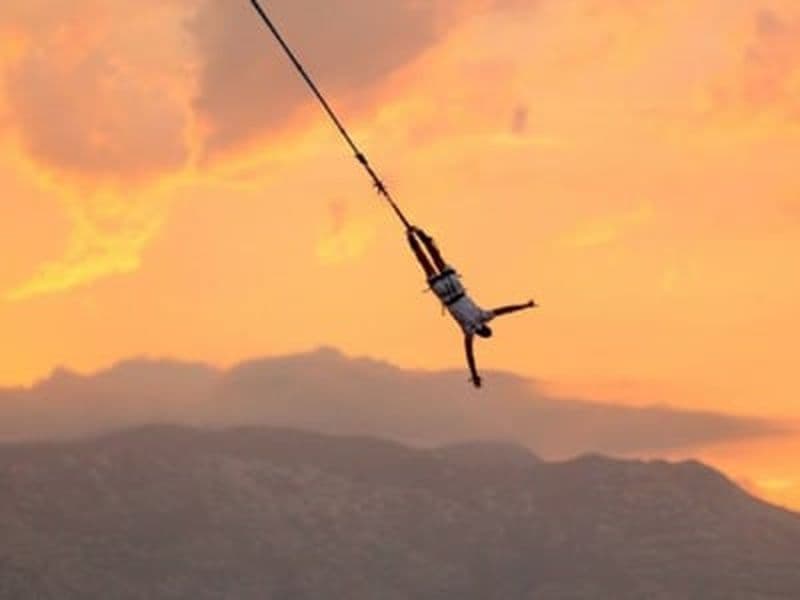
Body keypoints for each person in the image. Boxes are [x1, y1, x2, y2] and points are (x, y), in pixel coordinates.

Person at [407, 227, 536, 388]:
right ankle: (412, 238)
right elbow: (469, 355)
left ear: (486, 327)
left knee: (436, 258)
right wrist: (474, 375)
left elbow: (504, 310)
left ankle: (421, 237)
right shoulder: (469, 330)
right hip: (447, 295)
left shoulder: (483, 316)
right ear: (480, 333)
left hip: (456, 289)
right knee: (426, 263)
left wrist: (525, 306)